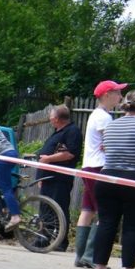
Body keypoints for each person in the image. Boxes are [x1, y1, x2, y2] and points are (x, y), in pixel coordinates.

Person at [75, 80, 126, 267]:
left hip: (89, 165)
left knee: (87, 210)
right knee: (104, 213)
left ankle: (80, 256)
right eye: (117, 93)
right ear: (107, 95)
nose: (120, 97)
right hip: (98, 167)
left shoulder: (98, 115)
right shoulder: (104, 118)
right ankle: (89, 255)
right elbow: (107, 144)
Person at [90, 90, 135, 269]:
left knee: (107, 223)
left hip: (107, 178)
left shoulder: (111, 126)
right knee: (133, 226)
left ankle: (100, 267)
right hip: (133, 179)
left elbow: (107, 150)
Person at [34, 105, 82, 252]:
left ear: (57, 119)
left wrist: (48, 159)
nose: (50, 120)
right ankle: (44, 238)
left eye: (51, 118)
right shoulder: (57, 132)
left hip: (59, 178)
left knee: (59, 208)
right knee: (45, 208)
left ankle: (61, 241)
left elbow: (70, 153)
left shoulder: (72, 131)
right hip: (48, 177)